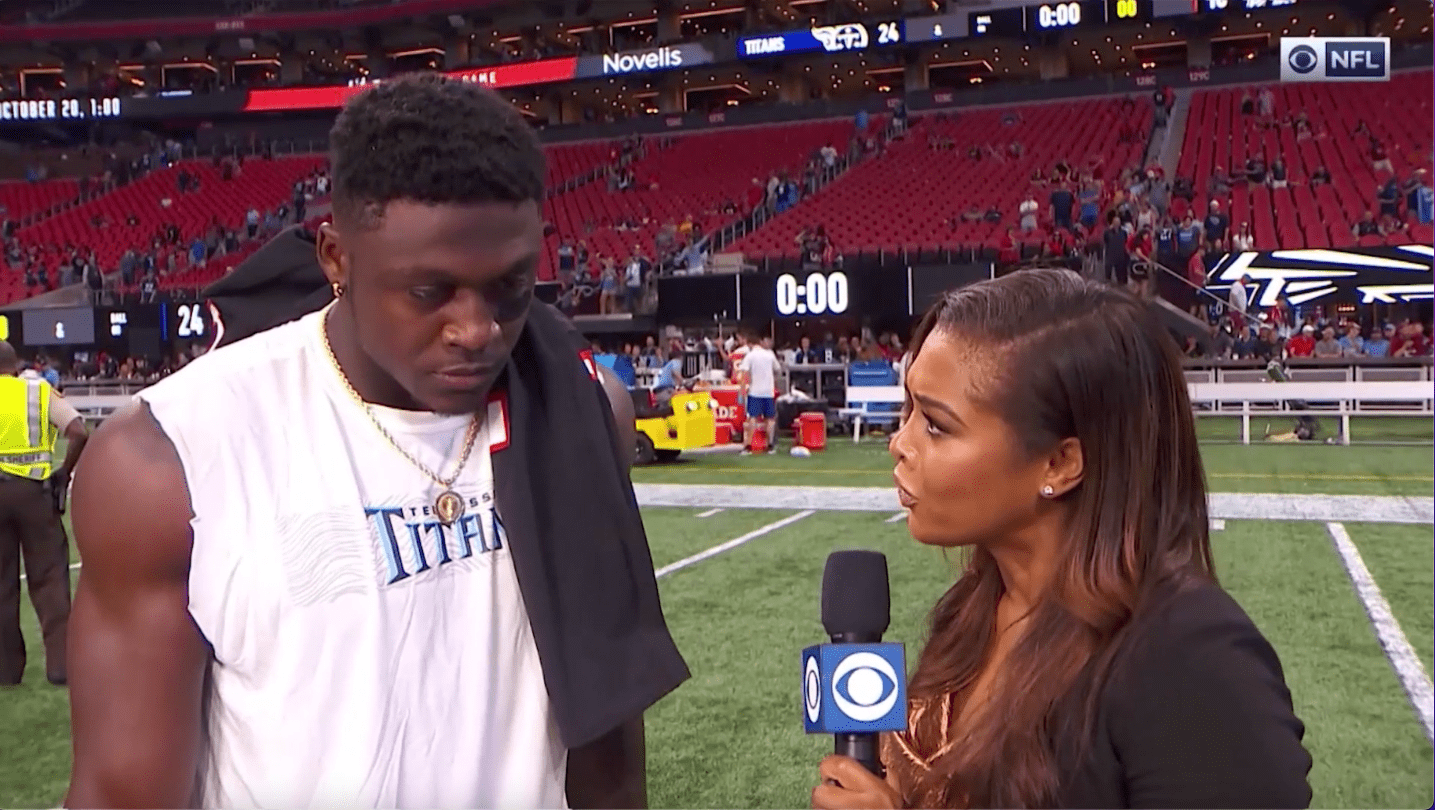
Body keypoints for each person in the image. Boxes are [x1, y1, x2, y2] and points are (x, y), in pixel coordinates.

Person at [65, 74, 688, 809]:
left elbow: (607, 731)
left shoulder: (581, 408)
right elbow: (120, 792)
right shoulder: (171, 456)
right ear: (336, 257)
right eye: (429, 292)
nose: (477, 328)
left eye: (509, 287)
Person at [810, 269, 1311, 809]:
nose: (898, 444)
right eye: (909, 409)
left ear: (1060, 462)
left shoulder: (1191, 663)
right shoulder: (973, 607)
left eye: (935, 424)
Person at [0, 340, 89, 687]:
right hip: (34, 495)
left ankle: (6, 672)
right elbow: (78, 431)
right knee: (50, 578)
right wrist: (64, 472)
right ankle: (60, 667)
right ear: (17, 363)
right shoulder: (36, 390)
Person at [740, 334, 782, 454]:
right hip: (768, 392)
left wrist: (743, 389)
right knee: (770, 419)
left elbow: (744, 374)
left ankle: (748, 446)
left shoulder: (750, 356)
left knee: (752, 418)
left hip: (755, 391)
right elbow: (778, 369)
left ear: (750, 344)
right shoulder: (770, 355)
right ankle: (770, 446)